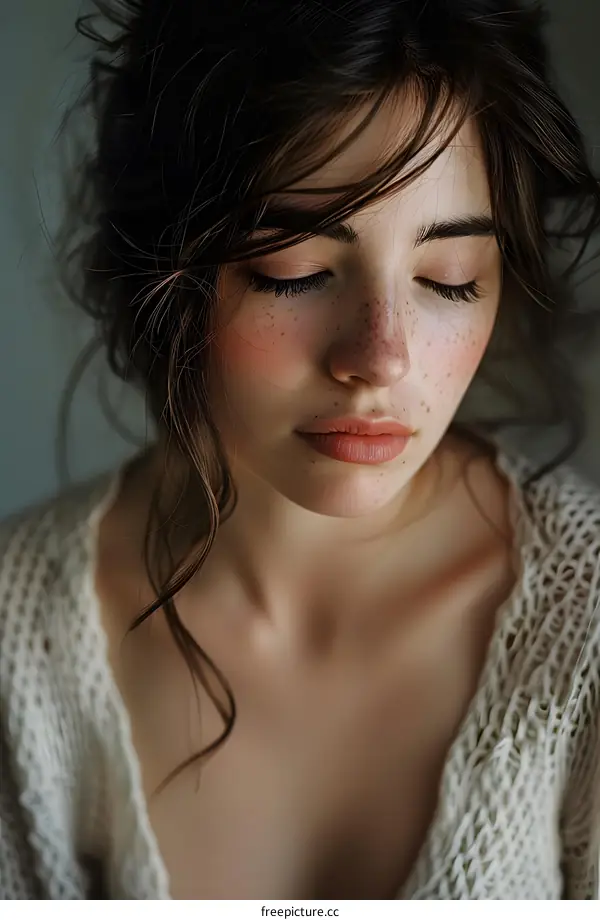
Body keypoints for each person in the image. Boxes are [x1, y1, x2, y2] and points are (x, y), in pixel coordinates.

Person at [1, 0, 600, 901]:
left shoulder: (585, 621)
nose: (381, 358)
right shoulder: (22, 639)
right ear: (167, 276)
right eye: (294, 270)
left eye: (450, 281)